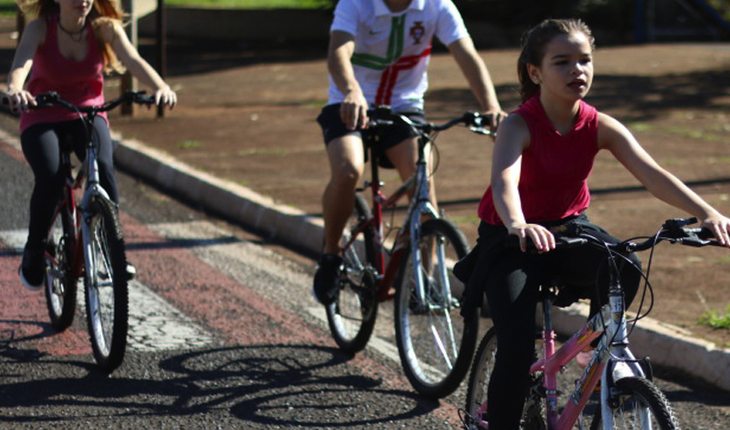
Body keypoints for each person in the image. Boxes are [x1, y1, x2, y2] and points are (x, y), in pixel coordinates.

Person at [466, 18, 730, 429]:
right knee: (517, 350)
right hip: (511, 239)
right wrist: (518, 223)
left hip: (569, 231)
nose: (578, 70)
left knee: (624, 263)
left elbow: (653, 173)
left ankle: (602, 366)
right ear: (535, 72)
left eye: (585, 60)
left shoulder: (599, 124)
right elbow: (505, 181)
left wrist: (706, 212)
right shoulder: (518, 124)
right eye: (563, 61)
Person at [313, 0, 506, 305]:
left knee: (423, 190)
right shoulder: (356, 4)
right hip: (349, 103)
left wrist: (491, 108)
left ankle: (423, 279)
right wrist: (351, 90)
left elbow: (466, 55)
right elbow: (339, 52)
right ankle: (331, 253)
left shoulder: (437, 6)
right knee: (349, 169)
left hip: (403, 108)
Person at [4, 0, 177, 291]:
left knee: (105, 170)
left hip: (88, 112)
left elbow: (133, 61)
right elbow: (21, 64)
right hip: (43, 114)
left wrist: (160, 87)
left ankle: (113, 252)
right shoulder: (40, 29)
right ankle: (34, 250)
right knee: (51, 176)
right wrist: (15, 89)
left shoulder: (104, 29)